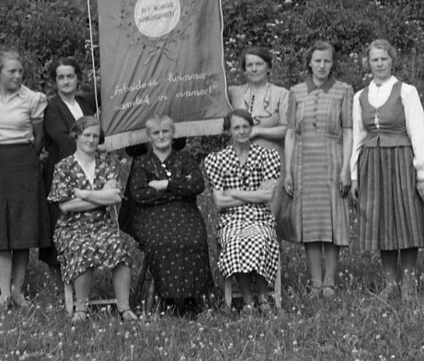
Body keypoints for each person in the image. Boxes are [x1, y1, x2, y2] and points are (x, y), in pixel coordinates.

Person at [349, 39, 424, 302]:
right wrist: (353, 174)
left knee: (406, 219)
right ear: (367, 63)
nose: (380, 64)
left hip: (400, 160)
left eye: (384, 58)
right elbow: (358, 137)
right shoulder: (359, 97)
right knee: (381, 221)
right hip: (372, 163)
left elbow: (418, 132)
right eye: (375, 59)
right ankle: (390, 284)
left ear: (392, 60)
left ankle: (408, 283)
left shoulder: (406, 91)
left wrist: (422, 173)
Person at [0, 50, 50, 309]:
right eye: (12, 71)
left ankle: (18, 290)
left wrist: (28, 159)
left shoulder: (32, 98)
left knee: (22, 227)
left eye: (20, 71)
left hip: (25, 162)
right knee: (0, 227)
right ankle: (4, 292)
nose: (18, 76)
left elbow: (40, 137)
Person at [47, 116, 142, 322]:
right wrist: (101, 197)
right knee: (83, 247)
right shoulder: (64, 167)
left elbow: (116, 197)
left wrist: (82, 193)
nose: (91, 140)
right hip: (71, 227)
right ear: (76, 136)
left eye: (95, 136)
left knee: (119, 248)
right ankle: (81, 308)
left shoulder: (106, 164)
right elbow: (65, 205)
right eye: (87, 135)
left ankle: (124, 307)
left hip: (101, 224)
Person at [283, 41, 354, 298]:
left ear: (332, 63)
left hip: (332, 158)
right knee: (310, 223)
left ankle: (330, 282)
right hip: (303, 161)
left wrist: (347, 169)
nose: (322, 66)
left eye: (326, 61)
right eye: (317, 61)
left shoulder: (344, 90)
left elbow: (348, 131)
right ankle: (314, 282)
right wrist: (288, 171)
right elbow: (291, 132)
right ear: (309, 63)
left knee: (333, 220)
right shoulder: (296, 92)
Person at [126, 114, 212, 316]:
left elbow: (197, 185)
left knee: (194, 240)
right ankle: (168, 299)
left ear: (173, 134)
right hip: (151, 217)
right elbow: (139, 193)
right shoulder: (142, 162)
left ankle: (191, 300)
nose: (161, 136)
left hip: (186, 214)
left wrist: (166, 185)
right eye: (156, 132)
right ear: (149, 136)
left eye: (165, 131)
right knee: (163, 242)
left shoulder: (185, 159)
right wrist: (179, 191)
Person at [203, 109, 282, 312]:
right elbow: (219, 202)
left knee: (260, 237)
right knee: (235, 240)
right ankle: (248, 299)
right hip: (231, 220)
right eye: (236, 127)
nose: (241, 131)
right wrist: (252, 195)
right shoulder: (216, 159)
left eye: (245, 126)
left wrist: (235, 192)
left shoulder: (267, 156)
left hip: (260, 217)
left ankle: (263, 298)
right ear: (229, 130)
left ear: (251, 128)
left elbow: (267, 196)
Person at [42, 57, 99, 279]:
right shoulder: (52, 107)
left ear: (78, 79)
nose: (66, 81)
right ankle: (60, 285)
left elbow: (113, 92)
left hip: (86, 170)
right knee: (59, 224)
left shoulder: (85, 102)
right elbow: (64, 139)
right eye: (61, 77)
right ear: (55, 81)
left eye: (70, 76)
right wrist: (94, 147)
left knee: (82, 225)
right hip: (60, 172)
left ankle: (81, 276)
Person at [227, 46, 289, 159]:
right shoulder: (233, 93)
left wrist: (258, 131)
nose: (254, 69)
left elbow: (287, 130)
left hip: (272, 164)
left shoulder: (282, 94)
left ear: (269, 68)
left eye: (259, 64)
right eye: (249, 65)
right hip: (239, 163)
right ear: (245, 70)